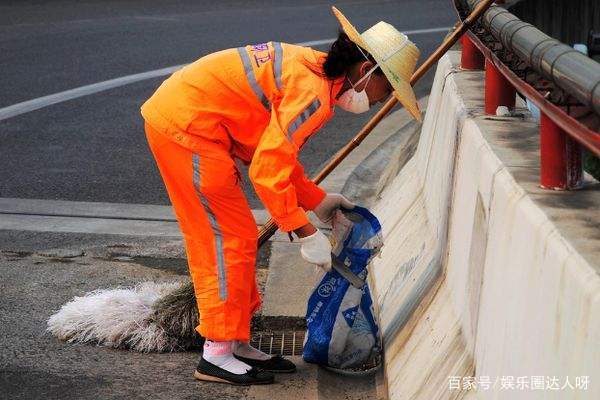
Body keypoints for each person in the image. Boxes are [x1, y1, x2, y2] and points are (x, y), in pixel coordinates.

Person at [140, 6, 420, 385]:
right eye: (387, 89)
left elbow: (275, 155)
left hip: (196, 123)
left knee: (237, 239)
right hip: (187, 129)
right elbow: (267, 172)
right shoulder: (315, 97)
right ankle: (216, 353)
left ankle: (235, 342)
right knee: (225, 241)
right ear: (365, 71)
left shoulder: (317, 74)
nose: (382, 100)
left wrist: (317, 201)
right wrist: (304, 231)